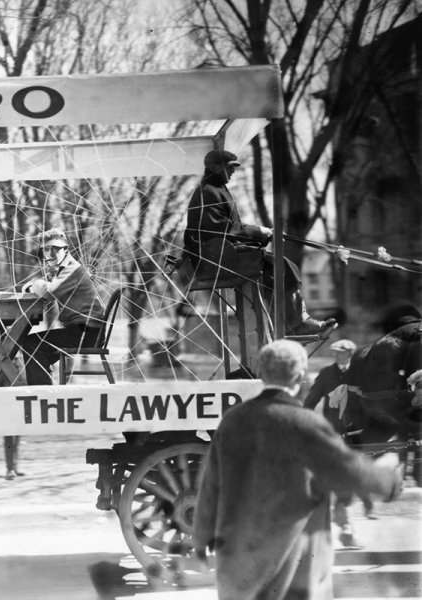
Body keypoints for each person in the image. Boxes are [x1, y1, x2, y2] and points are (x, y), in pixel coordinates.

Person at [193, 339, 402, 600]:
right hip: (291, 573)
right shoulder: (306, 425)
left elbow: (210, 487)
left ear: (261, 374)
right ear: (301, 376)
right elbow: (350, 471)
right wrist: (389, 477)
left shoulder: (232, 421)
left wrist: (201, 540)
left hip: (237, 573)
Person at [184, 150, 337, 337]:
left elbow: (229, 228)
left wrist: (262, 233)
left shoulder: (215, 189)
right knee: (280, 266)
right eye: (229, 167)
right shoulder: (207, 192)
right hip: (213, 258)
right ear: (214, 167)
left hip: (223, 253)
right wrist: (259, 232)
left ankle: (291, 324)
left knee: (282, 267)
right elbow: (220, 229)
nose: (232, 172)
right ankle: (295, 325)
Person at [14, 228, 105, 480]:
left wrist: (34, 284)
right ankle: (44, 387)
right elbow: (50, 293)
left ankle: (43, 396)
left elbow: (50, 292)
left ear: (66, 250)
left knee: (31, 344)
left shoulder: (73, 269)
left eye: (56, 248)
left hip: (87, 331)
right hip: (81, 328)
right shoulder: (63, 270)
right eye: (47, 249)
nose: (51, 253)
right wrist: (37, 284)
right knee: (34, 343)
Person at [302, 338, 373, 543]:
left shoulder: (360, 376)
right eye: (335, 352)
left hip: (358, 434)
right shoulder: (326, 374)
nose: (336, 355)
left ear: (350, 354)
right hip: (334, 434)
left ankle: (352, 513)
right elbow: (312, 399)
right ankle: (346, 524)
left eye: (341, 352)